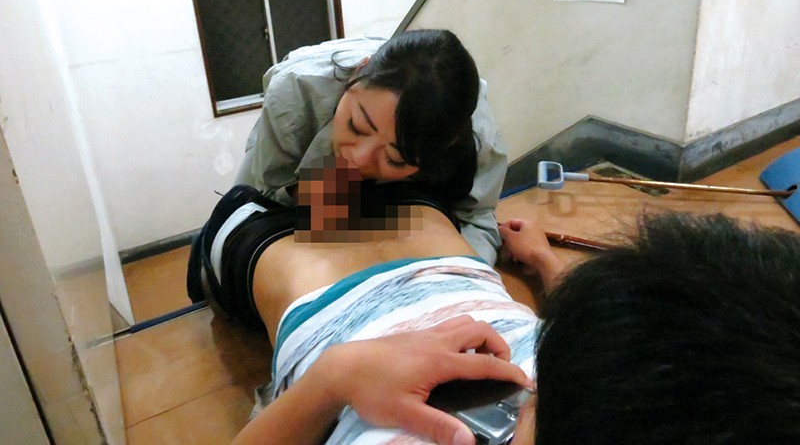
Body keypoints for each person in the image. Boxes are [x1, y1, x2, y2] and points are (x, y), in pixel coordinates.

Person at [230, 206, 800, 444]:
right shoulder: (627, 385)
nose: (529, 389)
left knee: (247, 218)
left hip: (324, 307)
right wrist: (548, 263)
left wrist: (337, 374)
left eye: (539, 396)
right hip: (451, 263)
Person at [187, 156, 539, 444]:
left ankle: (228, 226)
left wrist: (336, 375)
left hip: (297, 265)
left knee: (239, 214)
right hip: (435, 241)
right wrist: (545, 261)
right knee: (358, 177)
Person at [233, 29, 508, 264]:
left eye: (395, 158)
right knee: (236, 224)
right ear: (360, 70)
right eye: (357, 126)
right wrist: (307, 193)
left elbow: (477, 217)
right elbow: (268, 193)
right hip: (297, 151)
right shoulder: (293, 94)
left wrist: (468, 273)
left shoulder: (476, 135)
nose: (358, 158)